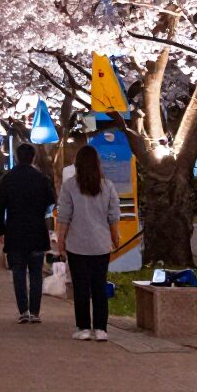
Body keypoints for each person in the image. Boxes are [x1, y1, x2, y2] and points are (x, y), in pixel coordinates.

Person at [56, 145, 121, 340]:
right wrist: (115, 238)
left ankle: (83, 327)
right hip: (100, 244)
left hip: (77, 244)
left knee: (81, 287)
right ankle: (101, 329)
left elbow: (64, 217)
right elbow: (113, 215)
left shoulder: (69, 186)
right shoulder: (107, 186)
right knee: (99, 286)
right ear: (97, 164)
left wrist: (61, 242)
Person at [0, 143, 56, 324]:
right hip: (37, 230)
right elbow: (50, 201)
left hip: (15, 230)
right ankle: (35, 311)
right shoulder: (41, 179)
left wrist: (0, 230)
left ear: (16, 157)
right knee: (36, 273)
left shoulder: (8, 179)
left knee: (19, 272)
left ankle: (23, 310)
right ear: (33, 157)